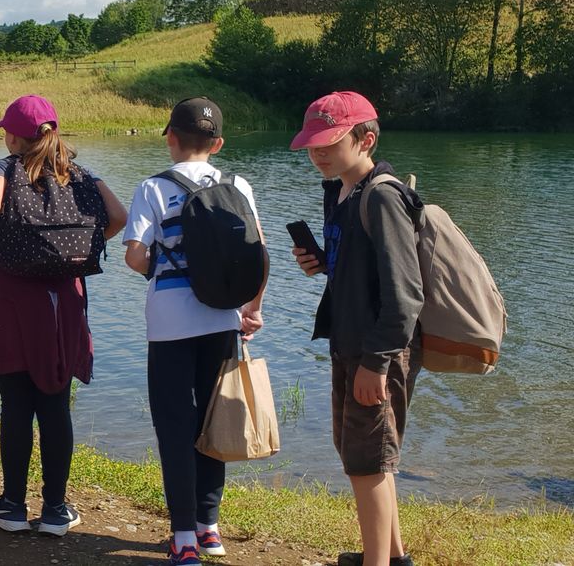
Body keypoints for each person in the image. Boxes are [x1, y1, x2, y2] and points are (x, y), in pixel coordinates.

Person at [0, 95, 126, 534]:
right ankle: (55, 509)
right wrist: (85, 247)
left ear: (16, 136)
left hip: (13, 297)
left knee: (16, 403)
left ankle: (12, 506)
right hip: (66, 299)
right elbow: (119, 216)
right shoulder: (80, 174)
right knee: (55, 405)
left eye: (6, 130)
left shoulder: (5, 168)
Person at [122, 97, 265, 566]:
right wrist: (251, 310)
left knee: (175, 426)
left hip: (169, 324)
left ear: (170, 137)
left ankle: (182, 536)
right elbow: (259, 256)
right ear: (218, 143)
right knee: (213, 422)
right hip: (223, 318)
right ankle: (210, 528)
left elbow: (135, 256)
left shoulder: (153, 187)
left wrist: (163, 270)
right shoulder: (237, 183)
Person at [288, 92, 421, 566]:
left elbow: (405, 295)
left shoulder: (382, 196)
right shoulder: (342, 191)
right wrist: (325, 265)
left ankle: (376, 562)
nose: (317, 151)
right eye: (311, 143)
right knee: (363, 457)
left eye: (329, 141)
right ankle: (392, 556)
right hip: (351, 344)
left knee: (368, 464)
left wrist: (377, 364)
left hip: (376, 353)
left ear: (365, 139)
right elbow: (365, 271)